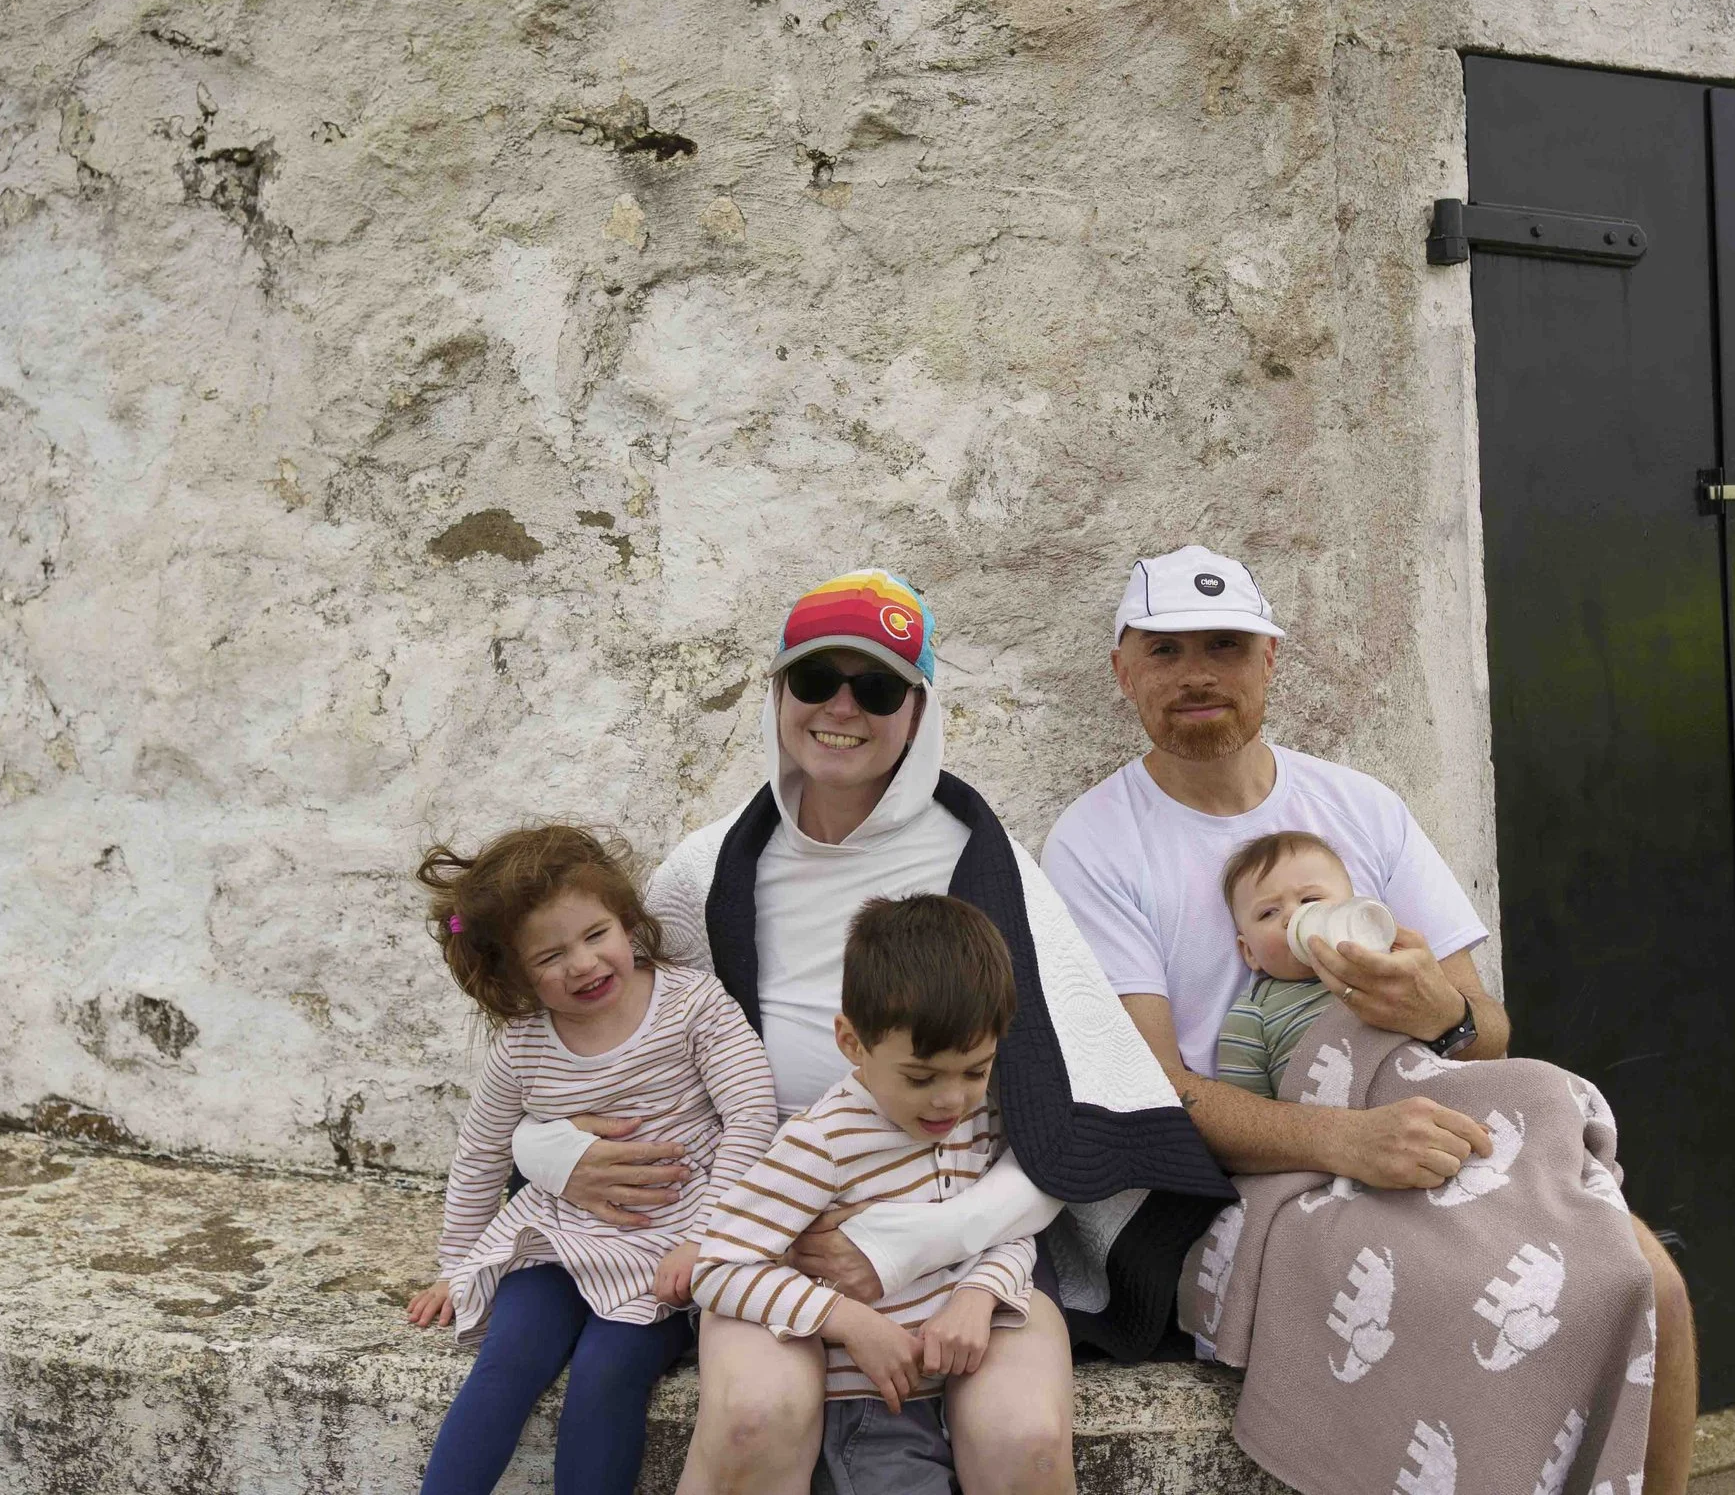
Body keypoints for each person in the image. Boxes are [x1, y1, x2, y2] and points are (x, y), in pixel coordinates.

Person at [505, 569, 1228, 1495]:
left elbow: (1073, 1112)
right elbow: (596, 1039)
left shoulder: (986, 864)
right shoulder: (705, 871)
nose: (842, 708)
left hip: (970, 1220)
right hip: (775, 1223)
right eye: (816, 680)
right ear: (778, 693)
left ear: (919, 708)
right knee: (756, 1415)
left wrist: (915, 1243)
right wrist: (548, 1149)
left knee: (1024, 1435)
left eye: (878, 688)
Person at [1041, 544, 1700, 1495]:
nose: (1196, 675)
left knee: (1652, 1283)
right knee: (1460, 1296)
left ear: (1269, 660)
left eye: (1225, 646)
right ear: (1123, 672)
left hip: (1410, 1119)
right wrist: (1348, 1140)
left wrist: (1441, 1011)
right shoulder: (1097, 842)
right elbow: (1153, 1097)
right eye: (1165, 651)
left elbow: (1487, 1032)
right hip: (1222, 1177)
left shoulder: (1359, 807)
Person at [404, 825, 778, 1495]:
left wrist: (708, 1239)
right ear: (514, 973)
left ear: (627, 920)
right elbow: (481, 1151)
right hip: (557, 1239)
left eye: (596, 934)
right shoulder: (523, 1045)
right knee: (508, 1361)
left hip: (668, 1248)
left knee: (608, 1371)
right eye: (550, 955)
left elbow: (751, 1114)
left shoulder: (692, 1004)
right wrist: (455, 1268)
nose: (582, 964)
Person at [694, 894, 1039, 1495]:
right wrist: (848, 1321)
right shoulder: (823, 1141)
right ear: (852, 1042)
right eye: (921, 1077)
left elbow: (1008, 1227)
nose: (951, 1100)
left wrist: (980, 1294)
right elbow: (717, 1267)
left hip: (957, 1391)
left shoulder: (980, 1117)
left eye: (975, 1070)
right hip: (874, 1413)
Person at [1212, 830, 1383, 1099]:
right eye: (1269, 912)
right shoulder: (1252, 1017)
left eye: (1310, 901)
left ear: (1349, 913)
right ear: (1249, 952)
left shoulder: (1380, 968)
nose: (1293, 915)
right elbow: (1247, 1111)